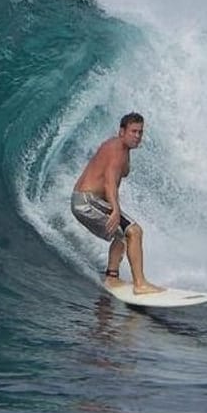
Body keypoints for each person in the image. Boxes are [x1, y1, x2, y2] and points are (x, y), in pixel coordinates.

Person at [71, 112, 163, 295]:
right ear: (122, 131)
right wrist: (115, 209)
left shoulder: (122, 149)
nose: (137, 136)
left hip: (84, 201)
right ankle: (140, 284)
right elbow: (109, 181)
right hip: (87, 201)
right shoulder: (116, 148)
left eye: (140, 132)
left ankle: (112, 276)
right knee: (134, 231)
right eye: (133, 131)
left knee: (122, 235)